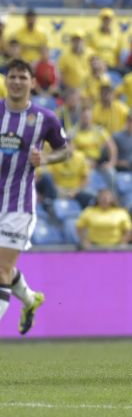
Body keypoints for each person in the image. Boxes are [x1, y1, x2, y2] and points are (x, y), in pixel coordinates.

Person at [0, 59, 70, 334]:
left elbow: (65, 150)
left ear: (32, 82)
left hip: (18, 206)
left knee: (1, 270)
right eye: (12, 77)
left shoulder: (44, 118)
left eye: (22, 77)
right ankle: (29, 300)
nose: (16, 82)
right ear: (6, 81)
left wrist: (46, 158)